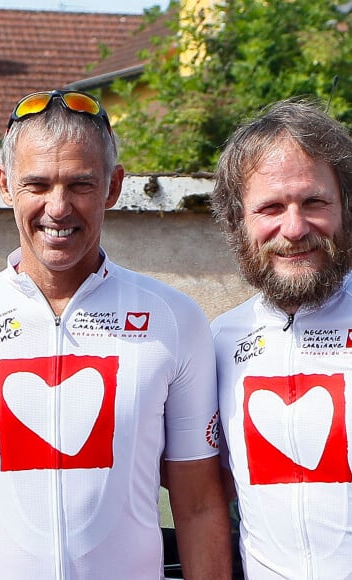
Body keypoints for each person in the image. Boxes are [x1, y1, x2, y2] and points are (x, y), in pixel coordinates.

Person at [0, 88, 232, 580]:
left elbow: (199, 504)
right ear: (5, 184)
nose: (58, 207)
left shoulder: (175, 320)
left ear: (114, 187)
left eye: (80, 184)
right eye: (37, 184)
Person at [210, 98, 352, 579]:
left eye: (314, 202)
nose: (293, 228)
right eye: (270, 207)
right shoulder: (216, 343)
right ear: (237, 224)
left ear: (346, 208)